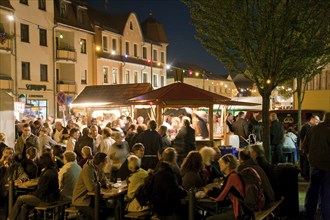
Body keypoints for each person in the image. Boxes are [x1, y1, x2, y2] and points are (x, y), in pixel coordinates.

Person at [10, 153, 60, 220]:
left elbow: (40, 193)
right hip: (52, 198)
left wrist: (30, 194)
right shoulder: (53, 170)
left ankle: (10, 218)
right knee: (24, 206)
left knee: (20, 198)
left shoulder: (46, 174)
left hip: (46, 200)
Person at [303, 112, 330, 220]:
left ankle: (309, 213)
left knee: (313, 189)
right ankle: (326, 215)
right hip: (328, 166)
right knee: (326, 191)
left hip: (314, 165)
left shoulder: (313, 129)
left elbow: (304, 147)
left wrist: (310, 157)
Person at [72, 152, 109, 220]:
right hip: (82, 199)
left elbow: (105, 180)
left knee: (109, 209)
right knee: (97, 216)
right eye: (106, 162)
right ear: (101, 163)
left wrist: (105, 183)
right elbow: (91, 188)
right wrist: (102, 184)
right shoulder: (88, 169)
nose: (107, 164)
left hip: (92, 199)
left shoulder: (99, 168)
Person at [152, 147, 187, 219]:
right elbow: (174, 191)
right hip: (166, 208)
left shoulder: (159, 168)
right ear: (174, 158)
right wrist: (185, 192)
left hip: (158, 205)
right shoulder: (167, 173)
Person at [207, 154, 244, 220]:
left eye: (221, 163)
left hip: (238, 211)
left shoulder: (232, 177)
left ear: (227, 164)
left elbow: (220, 197)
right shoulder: (234, 174)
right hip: (238, 208)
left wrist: (207, 192)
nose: (219, 165)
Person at [299, 115, 320, 181]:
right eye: (317, 120)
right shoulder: (307, 127)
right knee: (306, 163)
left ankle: (305, 176)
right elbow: (306, 139)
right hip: (306, 148)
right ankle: (306, 177)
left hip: (304, 148)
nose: (318, 122)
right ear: (313, 119)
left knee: (304, 162)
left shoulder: (307, 126)